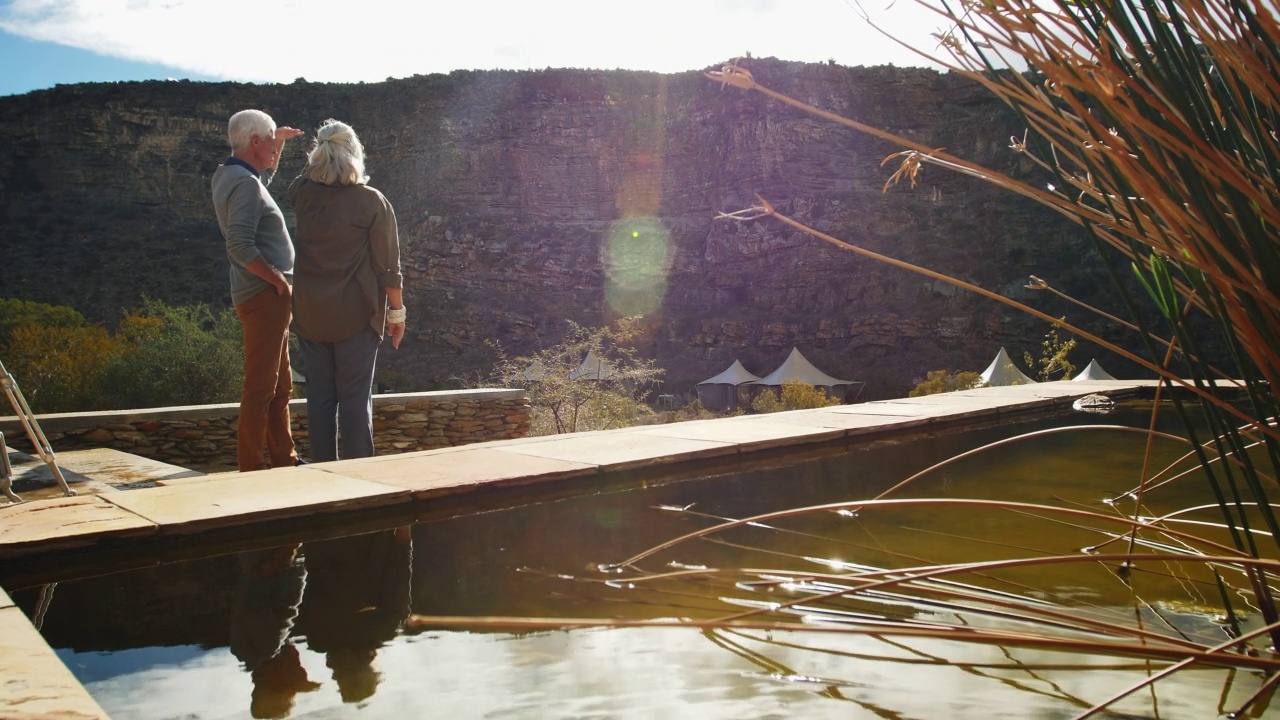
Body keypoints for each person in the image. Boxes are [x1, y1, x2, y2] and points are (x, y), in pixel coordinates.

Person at [289, 119, 404, 462]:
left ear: (317, 153)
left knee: (320, 400)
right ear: (355, 154)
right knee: (355, 401)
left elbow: (303, 177)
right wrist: (396, 314)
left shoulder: (300, 193)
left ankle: (323, 475)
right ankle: (360, 480)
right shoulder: (371, 201)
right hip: (356, 314)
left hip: (310, 313)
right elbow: (388, 267)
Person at [212, 109, 304, 471]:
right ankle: (250, 469)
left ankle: (285, 460)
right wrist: (277, 279)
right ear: (254, 142)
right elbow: (239, 244)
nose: (273, 150)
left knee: (280, 389)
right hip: (265, 296)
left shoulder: (230, 173)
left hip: (263, 295)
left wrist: (277, 142)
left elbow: (262, 177)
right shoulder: (245, 184)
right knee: (261, 389)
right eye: (268, 140)